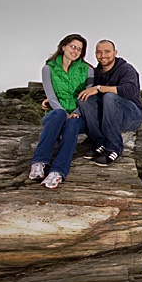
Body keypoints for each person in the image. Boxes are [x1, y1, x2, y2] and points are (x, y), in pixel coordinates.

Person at [29, 34, 94, 189]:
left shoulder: (88, 70)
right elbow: (51, 97)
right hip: (55, 115)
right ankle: (39, 163)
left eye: (79, 49)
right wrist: (64, 113)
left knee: (73, 123)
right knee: (59, 114)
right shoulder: (48, 69)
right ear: (63, 47)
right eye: (73, 47)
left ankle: (57, 172)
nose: (75, 51)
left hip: (78, 115)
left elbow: (88, 96)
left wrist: (76, 112)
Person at [76, 39, 142, 166]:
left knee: (110, 97)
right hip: (108, 117)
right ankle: (99, 143)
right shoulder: (96, 72)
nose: (103, 55)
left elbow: (130, 91)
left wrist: (99, 88)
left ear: (115, 52)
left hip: (132, 117)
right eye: (99, 52)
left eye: (107, 51)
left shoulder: (126, 69)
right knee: (84, 98)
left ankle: (114, 148)